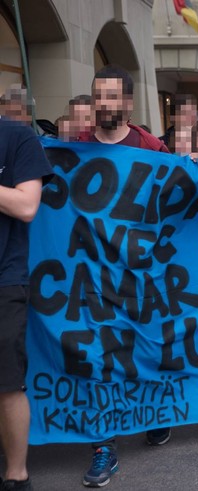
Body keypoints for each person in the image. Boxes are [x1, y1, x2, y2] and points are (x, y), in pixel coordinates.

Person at [85, 65, 170, 488]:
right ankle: (104, 447)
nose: (105, 103)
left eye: (113, 96)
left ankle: (153, 412)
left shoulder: (151, 147)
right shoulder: (76, 149)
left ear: (128, 103)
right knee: (101, 357)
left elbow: (175, 203)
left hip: (143, 272)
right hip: (94, 277)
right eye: (99, 94)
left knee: (143, 349)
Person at [0, 112, 55, 491]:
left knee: (6, 382)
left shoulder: (17, 137)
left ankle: (16, 475)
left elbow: (26, 206)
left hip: (4, 278)